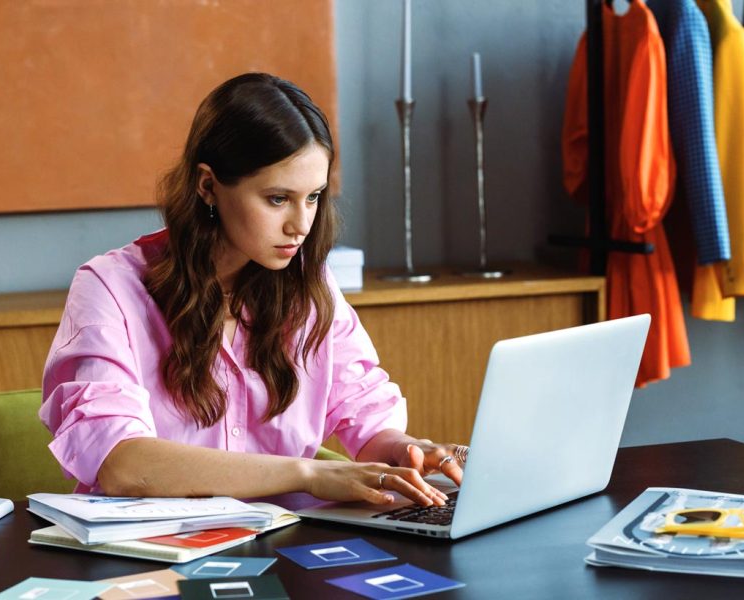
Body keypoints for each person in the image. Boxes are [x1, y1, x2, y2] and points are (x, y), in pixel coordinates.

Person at [40, 73, 464, 508]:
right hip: (154, 560)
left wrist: (401, 450)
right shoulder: (110, 288)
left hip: (285, 551)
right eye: (278, 199)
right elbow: (121, 464)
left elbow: (365, 415)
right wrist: (307, 474)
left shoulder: (309, 283)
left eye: (314, 197)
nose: (301, 225)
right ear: (208, 186)